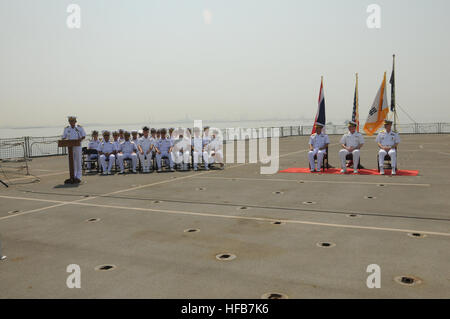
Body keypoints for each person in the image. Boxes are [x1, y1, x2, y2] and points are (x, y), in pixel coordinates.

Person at [62, 116, 86, 183]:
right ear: (69, 122)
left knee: (78, 161)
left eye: (73, 121)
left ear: (75, 122)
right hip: (70, 147)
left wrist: (79, 140)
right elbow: (64, 137)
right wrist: (64, 140)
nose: (72, 122)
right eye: (70, 121)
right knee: (72, 162)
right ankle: (73, 176)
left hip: (77, 146)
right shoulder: (66, 129)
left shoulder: (79, 128)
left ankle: (78, 177)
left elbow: (83, 136)